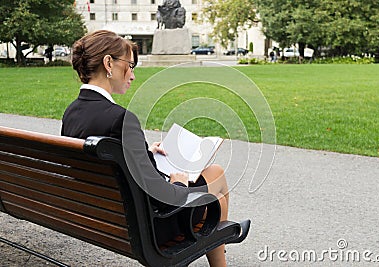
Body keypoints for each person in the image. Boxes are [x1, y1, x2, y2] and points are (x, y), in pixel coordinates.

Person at [61, 30, 247, 267]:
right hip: (149, 226)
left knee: (209, 185)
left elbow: (105, 162)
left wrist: (145, 152)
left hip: (101, 216)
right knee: (216, 175)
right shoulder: (121, 119)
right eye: (129, 65)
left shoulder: (72, 113)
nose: (133, 75)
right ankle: (218, 257)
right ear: (109, 63)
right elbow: (164, 201)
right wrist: (180, 182)